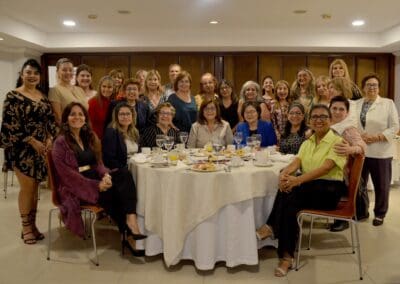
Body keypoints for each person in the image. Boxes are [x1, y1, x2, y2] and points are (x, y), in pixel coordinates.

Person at [256, 104, 347, 277]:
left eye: (323, 117)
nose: (318, 120)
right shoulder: (307, 142)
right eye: (314, 117)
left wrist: (296, 180)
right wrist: (285, 173)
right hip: (309, 188)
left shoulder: (337, 142)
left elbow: (326, 168)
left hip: (329, 191)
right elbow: (297, 162)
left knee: (292, 190)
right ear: (309, 121)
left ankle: (272, 228)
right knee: (289, 196)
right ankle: (286, 255)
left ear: (330, 120)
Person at [52, 102, 146, 256]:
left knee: (123, 174)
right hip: (75, 187)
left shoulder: (88, 136)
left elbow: (98, 163)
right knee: (113, 193)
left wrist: (106, 175)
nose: (77, 117)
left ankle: (131, 219)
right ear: (66, 119)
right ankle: (128, 235)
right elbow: (67, 176)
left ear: (85, 118)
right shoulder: (60, 142)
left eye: (81, 114)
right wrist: (96, 186)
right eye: (73, 114)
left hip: (94, 178)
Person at [0, 59, 57, 244]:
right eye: (28, 72)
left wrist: (49, 138)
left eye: (35, 73)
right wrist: (33, 141)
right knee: (27, 188)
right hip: (21, 149)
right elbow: (9, 125)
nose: (32, 76)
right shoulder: (13, 96)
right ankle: (26, 228)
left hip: (41, 149)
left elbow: (51, 122)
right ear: (21, 74)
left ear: (39, 77)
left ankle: (33, 225)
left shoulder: (42, 96)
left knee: (35, 190)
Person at [354, 73, 399, 226]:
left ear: (379, 88)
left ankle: (380, 214)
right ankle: (361, 211)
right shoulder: (356, 104)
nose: (372, 87)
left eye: (375, 85)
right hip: (360, 149)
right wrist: (359, 136)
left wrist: (377, 137)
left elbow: (395, 126)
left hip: (380, 151)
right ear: (363, 87)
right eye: (368, 85)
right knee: (359, 184)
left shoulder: (388, 103)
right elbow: (353, 124)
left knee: (381, 185)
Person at [328, 95, 367, 232]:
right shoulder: (325, 124)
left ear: (347, 112)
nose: (337, 112)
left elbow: (362, 146)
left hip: (339, 177)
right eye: (334, 108)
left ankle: (341, 218)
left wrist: (351, 149)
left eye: (341, 109)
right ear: (329, 108)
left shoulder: (348, 129)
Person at [49, 58, 88, 125]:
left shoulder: (80, 89)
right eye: (64, 70)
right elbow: (59, 118)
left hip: (82, 128)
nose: (68, 72)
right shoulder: (55, 90)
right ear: (58, 71)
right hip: (67, 131)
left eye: (70, 70)